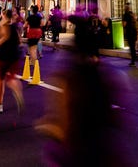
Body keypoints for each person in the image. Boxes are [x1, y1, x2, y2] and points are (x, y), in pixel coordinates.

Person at [36, 11, 130, 166]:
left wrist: (48, 127)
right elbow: (122, 121)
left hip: (79, 153)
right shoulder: (109, 76)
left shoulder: (68, 78)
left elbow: (62, 125)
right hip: (106, 152)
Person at [0, 7, 23, 113]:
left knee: (0, 79)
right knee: (12, 78)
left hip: (3, 55)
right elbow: (19, 41)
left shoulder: (4, 27)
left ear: (4, 16)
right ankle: (16, 88)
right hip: (15, 55)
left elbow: (4, 38)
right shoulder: (16, 28)